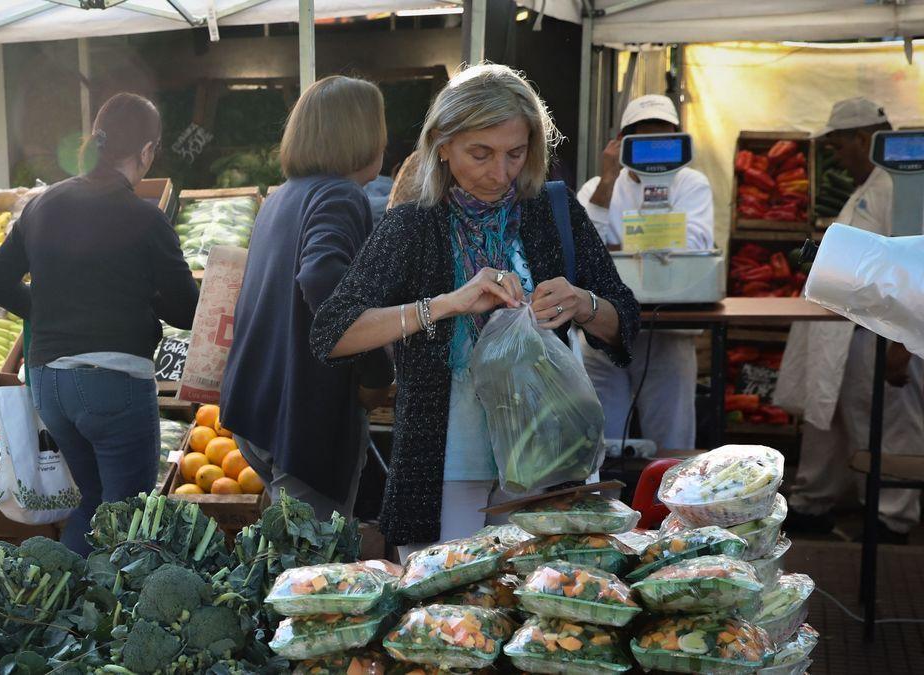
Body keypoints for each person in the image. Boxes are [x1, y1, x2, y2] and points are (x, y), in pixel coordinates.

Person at [310, 64, 640, 551]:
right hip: (446, 465)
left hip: (551, 455)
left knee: (547, 605)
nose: (499, 172)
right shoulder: (411, 227)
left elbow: (625, 321)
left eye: (515, 153)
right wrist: (446, 304)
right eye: (480, 154)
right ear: (442, 146)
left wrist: (583, 303)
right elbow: (332, 333)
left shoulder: (554, 211)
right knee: (450, 614)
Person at [0, 93, 199, 555]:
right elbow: (185, 311)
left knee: (92, 505)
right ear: (145, 152)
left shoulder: (42, 205)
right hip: (113, 383)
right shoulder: (145, 218)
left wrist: (44, 307)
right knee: (128, 516)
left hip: (48, 383)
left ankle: (69, 612)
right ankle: (112, 621)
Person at [220, 76, 394, 522]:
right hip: (304, 419)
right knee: (311, 574)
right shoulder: (341, 195)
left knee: (291, 559)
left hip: (259, 411)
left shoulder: (281, 197)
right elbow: (320, 276)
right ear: (360, 134)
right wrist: (376, 375)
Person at [774, 97, 924, 545]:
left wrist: (901, 346)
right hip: (853, 330)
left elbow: (912, 274)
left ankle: (892, 516)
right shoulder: (871, 185)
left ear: (864, 138)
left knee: (890, 419)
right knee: (837, 416)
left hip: (886, 333)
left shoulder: (901, 186)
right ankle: (816, 501)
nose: (836, 156)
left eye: (839, 145)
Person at [576, 95, 715, 451]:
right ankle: (606, 505)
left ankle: (674, 509)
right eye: (643, 141)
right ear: (621, 143)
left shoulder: (692, 183)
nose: (655, 151)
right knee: (600, 442)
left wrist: (623, 244)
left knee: (672, 442)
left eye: (664, 139)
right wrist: (608, 180)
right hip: (602, 333)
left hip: (668, 332)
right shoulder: (594, 189)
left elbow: (696, 242)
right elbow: (583, 248)